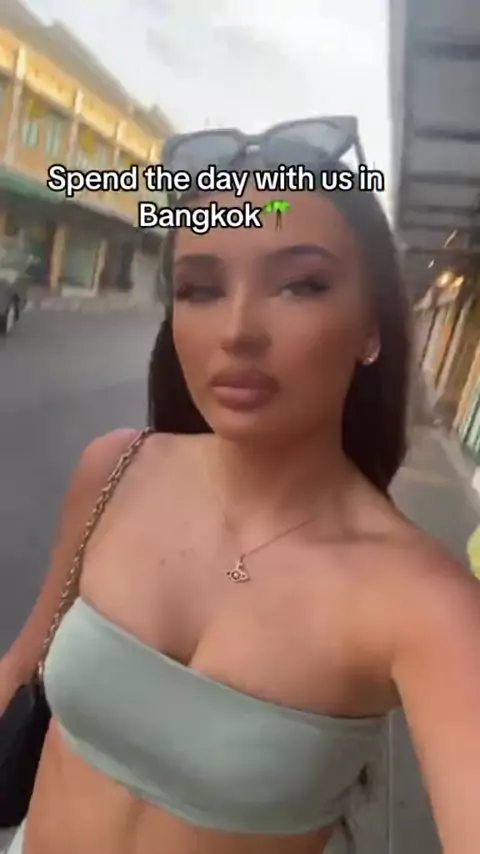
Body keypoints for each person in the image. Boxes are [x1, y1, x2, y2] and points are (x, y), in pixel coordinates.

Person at [1, 119, 480, 854]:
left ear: (372, 328)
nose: (238, 330)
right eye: (200, 288)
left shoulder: (426, 602)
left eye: (300, 284)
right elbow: (20, 666)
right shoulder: (116, 469)